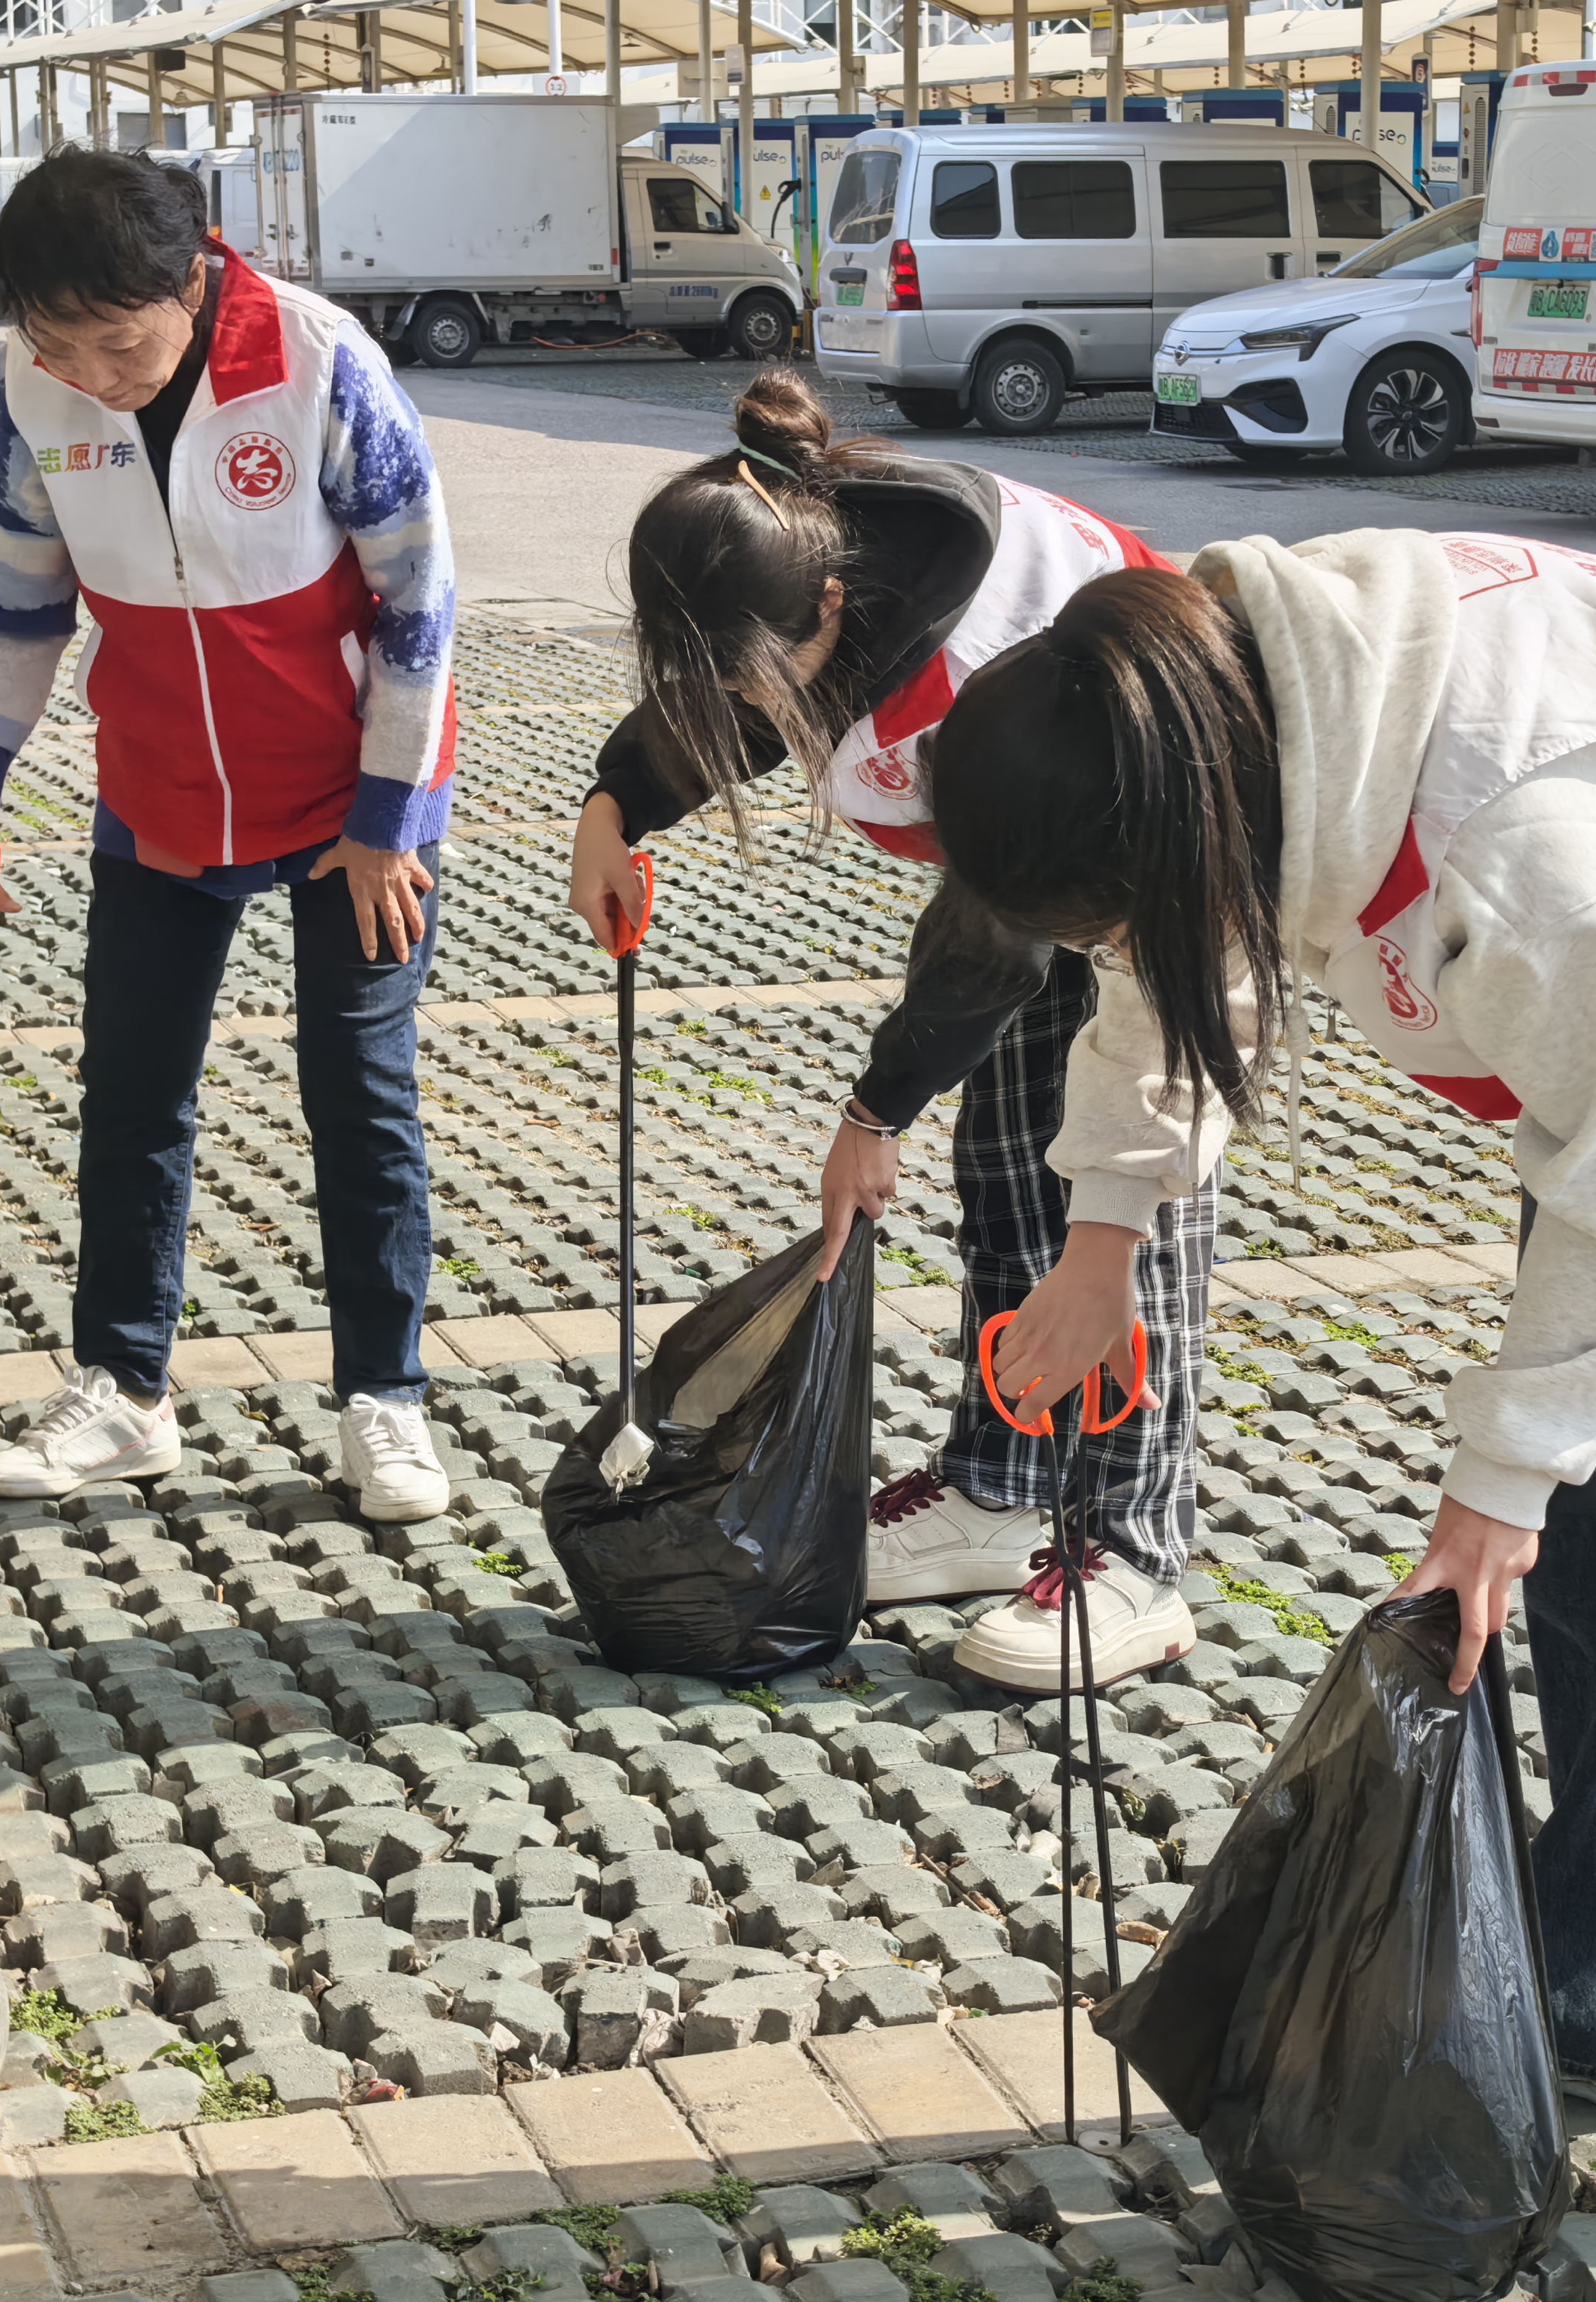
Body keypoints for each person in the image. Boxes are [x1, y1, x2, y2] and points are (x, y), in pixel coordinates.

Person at [934, 534, 1596, 2283]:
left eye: (1117, 911)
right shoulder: (1188, 710)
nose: (1122, 951)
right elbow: (1159, 978)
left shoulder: (1507, 827)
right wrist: (1100, 1236)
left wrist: (1492, 1484)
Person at [569, 375, 1212, 1691]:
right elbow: (741, 698)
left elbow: (996, 939)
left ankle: (1134, 1546)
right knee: (1007, 1186)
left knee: (1117, 1196)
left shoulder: (970, 676)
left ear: (833, 617)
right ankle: (998, 1486)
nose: (744, 718)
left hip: (1144, 875)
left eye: (754, 687)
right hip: (1045, 886)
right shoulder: (788, 536)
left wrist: (873, 1113)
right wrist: (615, 802)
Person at [0, 149, 460, 1524]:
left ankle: (386, 1400)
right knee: (135, 1095)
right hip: (159, 789)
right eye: (60, 342)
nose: (95, 373)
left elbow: (419, 595)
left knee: (361, 1094)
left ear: (197, 272)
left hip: (354, 804)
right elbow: (6, 604)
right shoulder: (24, 394)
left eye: (123, 342)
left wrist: (391, 817)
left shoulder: (318, 361)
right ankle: (123, 1392)